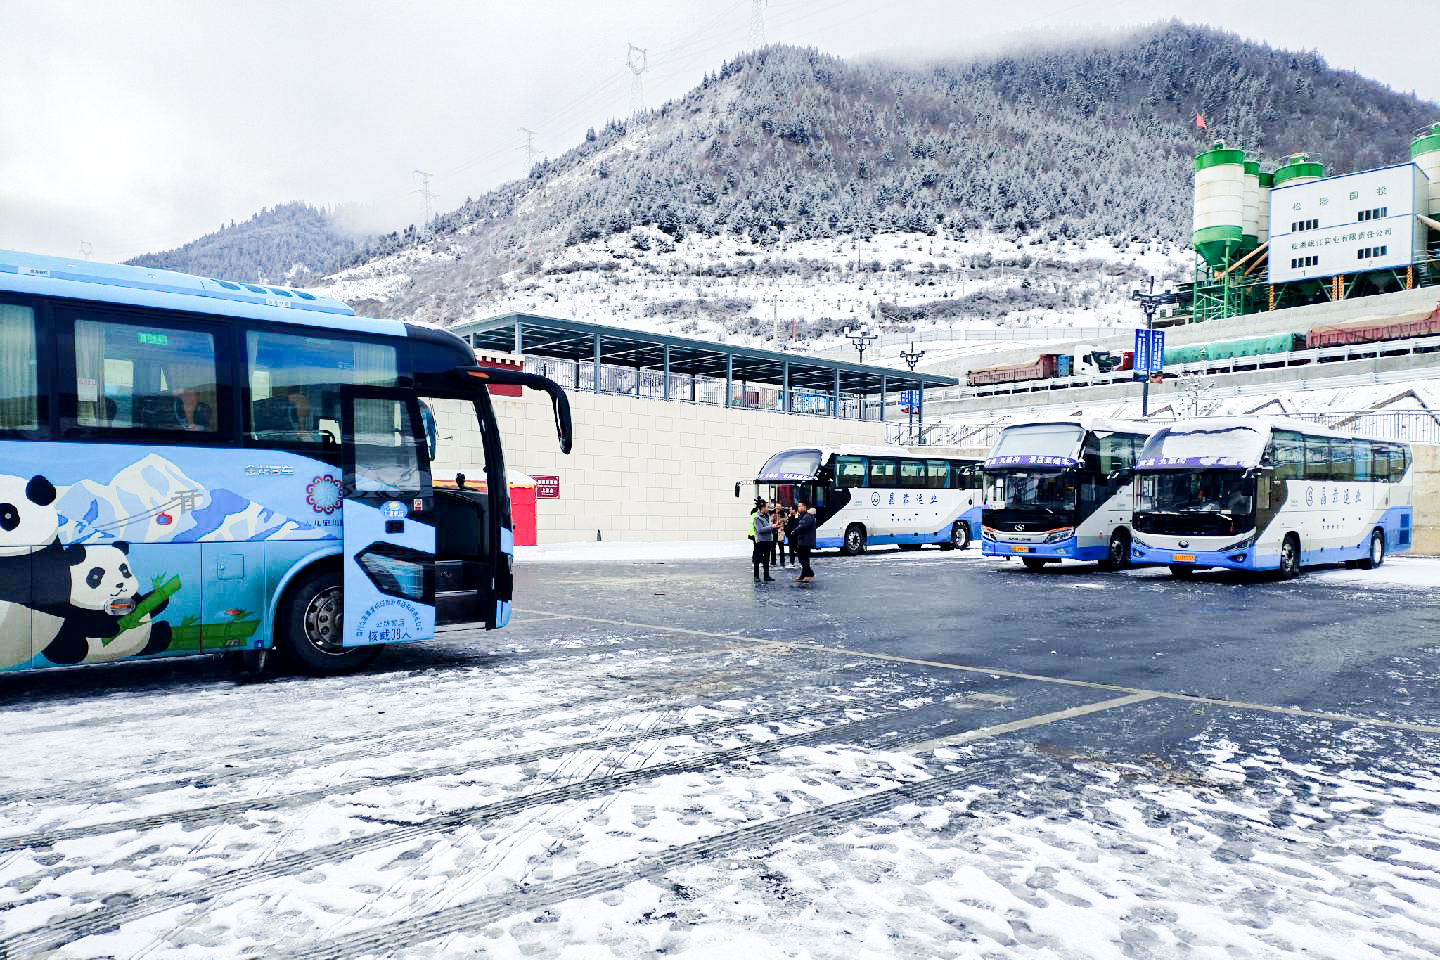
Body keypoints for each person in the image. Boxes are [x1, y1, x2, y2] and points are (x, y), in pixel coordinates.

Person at [788, 500, 817, 583]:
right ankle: (804, 574)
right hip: (802, 540)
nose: (798, 507)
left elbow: (803, 526)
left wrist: (794, 531)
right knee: (803, 559)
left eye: (800, 506)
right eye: (798, 506)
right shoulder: (802, 515)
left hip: (806, 541)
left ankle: (810, 574)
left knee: (803, 559)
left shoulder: (808, 516)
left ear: (805, 507)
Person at [752, 502, 776, 581]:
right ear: (762, 508)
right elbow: (760, 530)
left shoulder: (767, 515)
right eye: (767, 507)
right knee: (757, 559)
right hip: (761, 541)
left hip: (768, 540)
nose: (768, 508)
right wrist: (771, 527)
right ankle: (756, 576)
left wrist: (774, 527)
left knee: (766, 559)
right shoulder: (757, 517)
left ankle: (766, 576)